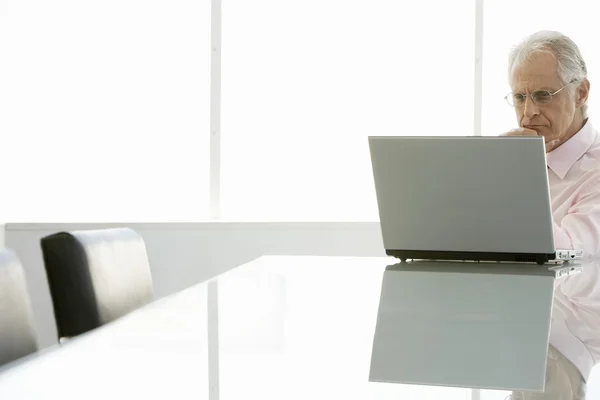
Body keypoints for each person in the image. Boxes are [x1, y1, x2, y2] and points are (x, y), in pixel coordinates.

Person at [502, 30, 600, 400]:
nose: (528, 112)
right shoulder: (519, 155)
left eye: (543, 96)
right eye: (520, 97)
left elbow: (573, 255)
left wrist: (514, 176)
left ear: (581, 92)